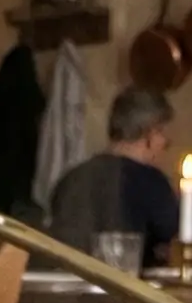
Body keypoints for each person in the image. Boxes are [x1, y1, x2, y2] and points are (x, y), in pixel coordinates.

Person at [47, 87, 179, 259]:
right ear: (151, 133)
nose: (165, 144)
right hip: (122, 282)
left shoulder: (72, 177)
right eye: (163, 134)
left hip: (68, 281)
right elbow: (176, 241)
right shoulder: (152, 183)